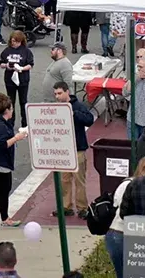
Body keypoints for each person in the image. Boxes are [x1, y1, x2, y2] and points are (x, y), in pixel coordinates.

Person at [0, 94, 28, 227]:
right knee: (4, 189)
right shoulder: (1, 126)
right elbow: (1, 144)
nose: (13, 111)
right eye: (12, 109)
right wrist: (17, 138)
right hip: (0, 163)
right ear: (7, 110)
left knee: (4, 189)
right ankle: (3, 217)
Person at [53, 82, 95, 219]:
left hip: (78, 149)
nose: (57, 97)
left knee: (79, 180)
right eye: (55, 94)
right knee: (64, 180)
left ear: (66, 92)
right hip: (64, 150)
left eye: (59, 93)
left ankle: (82, 207)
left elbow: (89, 120)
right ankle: (66, 206)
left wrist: (74, 114)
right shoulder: (57, 108)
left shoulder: (78, 106)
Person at [106, 157, 145, 278]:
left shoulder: (135, 185)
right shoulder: (128, 185)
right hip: (120, 233)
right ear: (143, 169)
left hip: (126, 234)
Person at [0, 31, 34, 129]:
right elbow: (1, 63)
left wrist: (21, 68)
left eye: (16, 41)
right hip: (10, 80)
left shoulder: (26, 51)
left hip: (23, 80)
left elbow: (30, 65)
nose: (13, 43)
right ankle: (10, 123)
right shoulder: (6, 51)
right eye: (12, 41)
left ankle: (25, 124)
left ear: (21, 41)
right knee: (10, 102)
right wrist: (7, 66)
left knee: (23, 101)